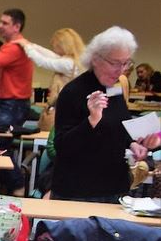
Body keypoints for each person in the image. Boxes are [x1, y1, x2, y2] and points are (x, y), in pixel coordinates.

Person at [51, 27, 161, 203]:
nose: (121, 70)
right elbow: (62, 146)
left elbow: (119, 127)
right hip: (77, 192)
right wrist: (91, 121)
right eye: (115, 63)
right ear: (95, 59)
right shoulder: (73, 91)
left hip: (114, 188)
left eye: (125, 63)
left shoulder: (114, 89)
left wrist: (133, 143)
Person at [19, 28, 85, 132]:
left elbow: (43, 62)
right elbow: (52, 56)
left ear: (63, 46)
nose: (54, 49)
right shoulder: (75, 61)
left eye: (56, 46)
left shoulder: (68, 64)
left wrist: (27, 47)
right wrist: (32, 45)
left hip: (66, 108)